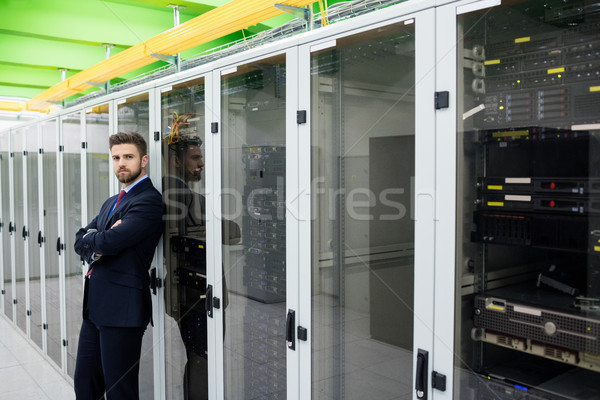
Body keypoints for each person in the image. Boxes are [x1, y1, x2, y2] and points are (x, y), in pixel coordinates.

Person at [73, 131, 164, 400]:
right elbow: (81, 239)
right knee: (85, 384)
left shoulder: (149, 201)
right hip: (95, 308)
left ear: (143, 160)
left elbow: (109, 243)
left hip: (123, 310)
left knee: (119, 391)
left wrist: (98, 241)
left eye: (128, 157)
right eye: (116, 157)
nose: (121, 163)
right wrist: (96, 240)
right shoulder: (112, 202)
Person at [162, 115, 239, 400]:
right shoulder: (182, 196)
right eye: (195, 157)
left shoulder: (175, 193)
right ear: (175, 160)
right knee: (202, 360)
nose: (201, 164)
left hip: (188, 293)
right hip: (197, 296)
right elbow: (233, 232)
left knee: (197, 358)